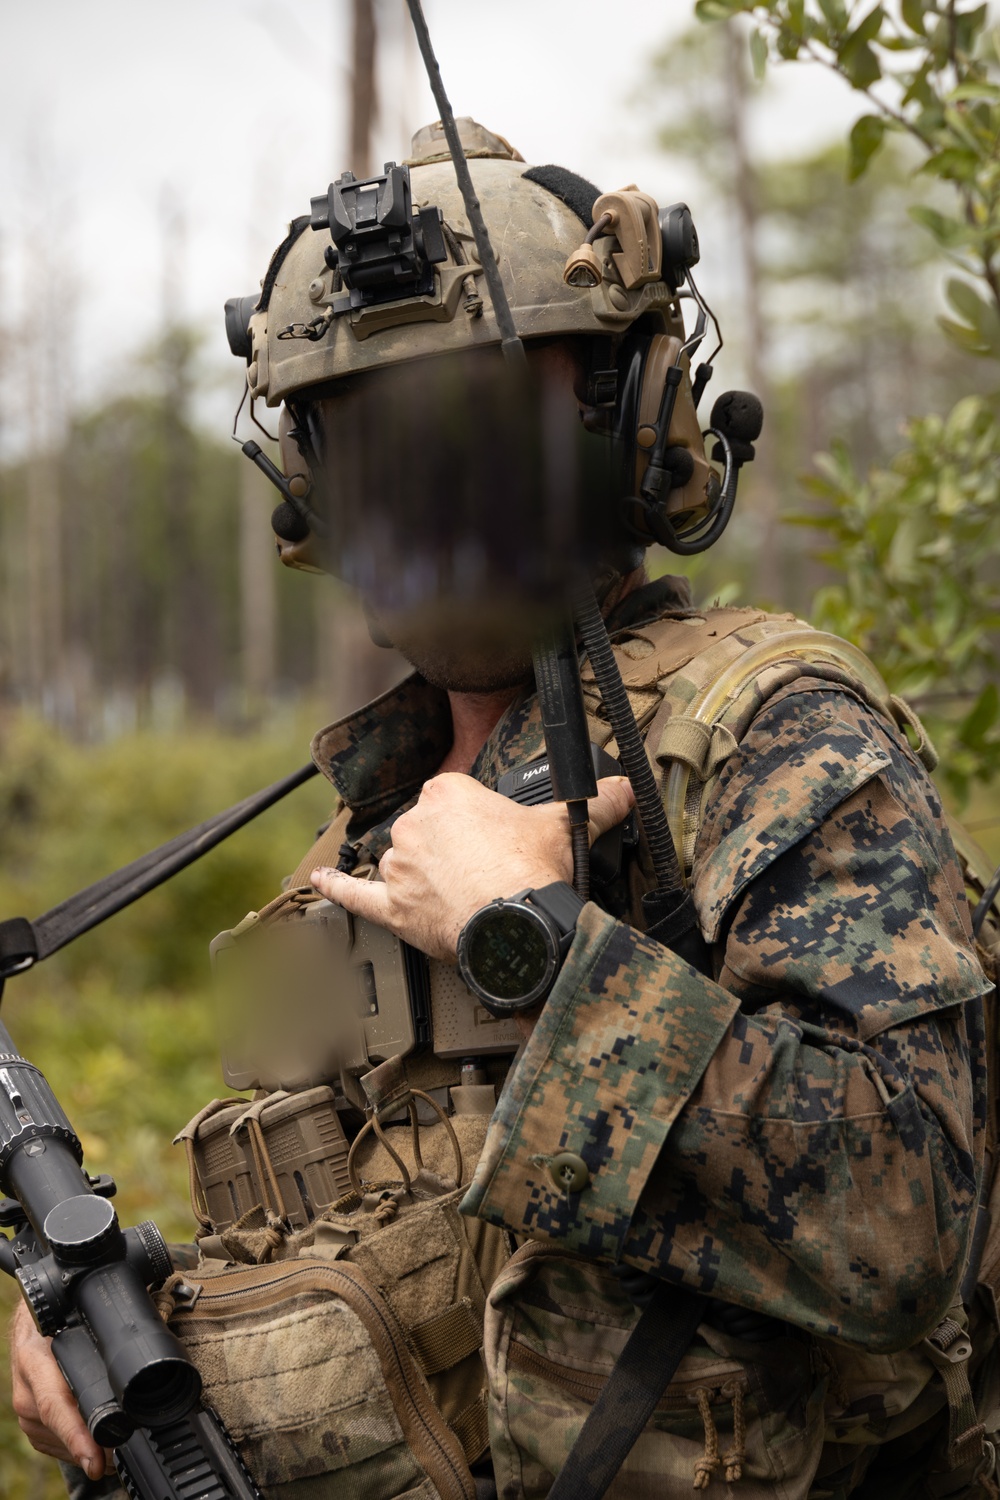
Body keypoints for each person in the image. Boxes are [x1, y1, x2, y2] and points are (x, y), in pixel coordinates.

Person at [10, 117, 997, 1500]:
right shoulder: (362, 827)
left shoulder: (770, 733)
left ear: (636, 425)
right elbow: (389, 1237)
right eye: (375, 439)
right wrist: (140, 1323)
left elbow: (905, 1225)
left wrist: (536, 944)